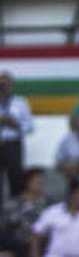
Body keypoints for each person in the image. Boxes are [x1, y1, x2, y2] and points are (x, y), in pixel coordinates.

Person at [0, 72, 34, 203]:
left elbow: (30, 127)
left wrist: (15, 125)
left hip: (12, 144)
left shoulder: (21, 102)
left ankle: (16, 208)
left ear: (12, 85)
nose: (4, 87)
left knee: (15, 179)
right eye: (1, 84)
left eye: (6, 84)